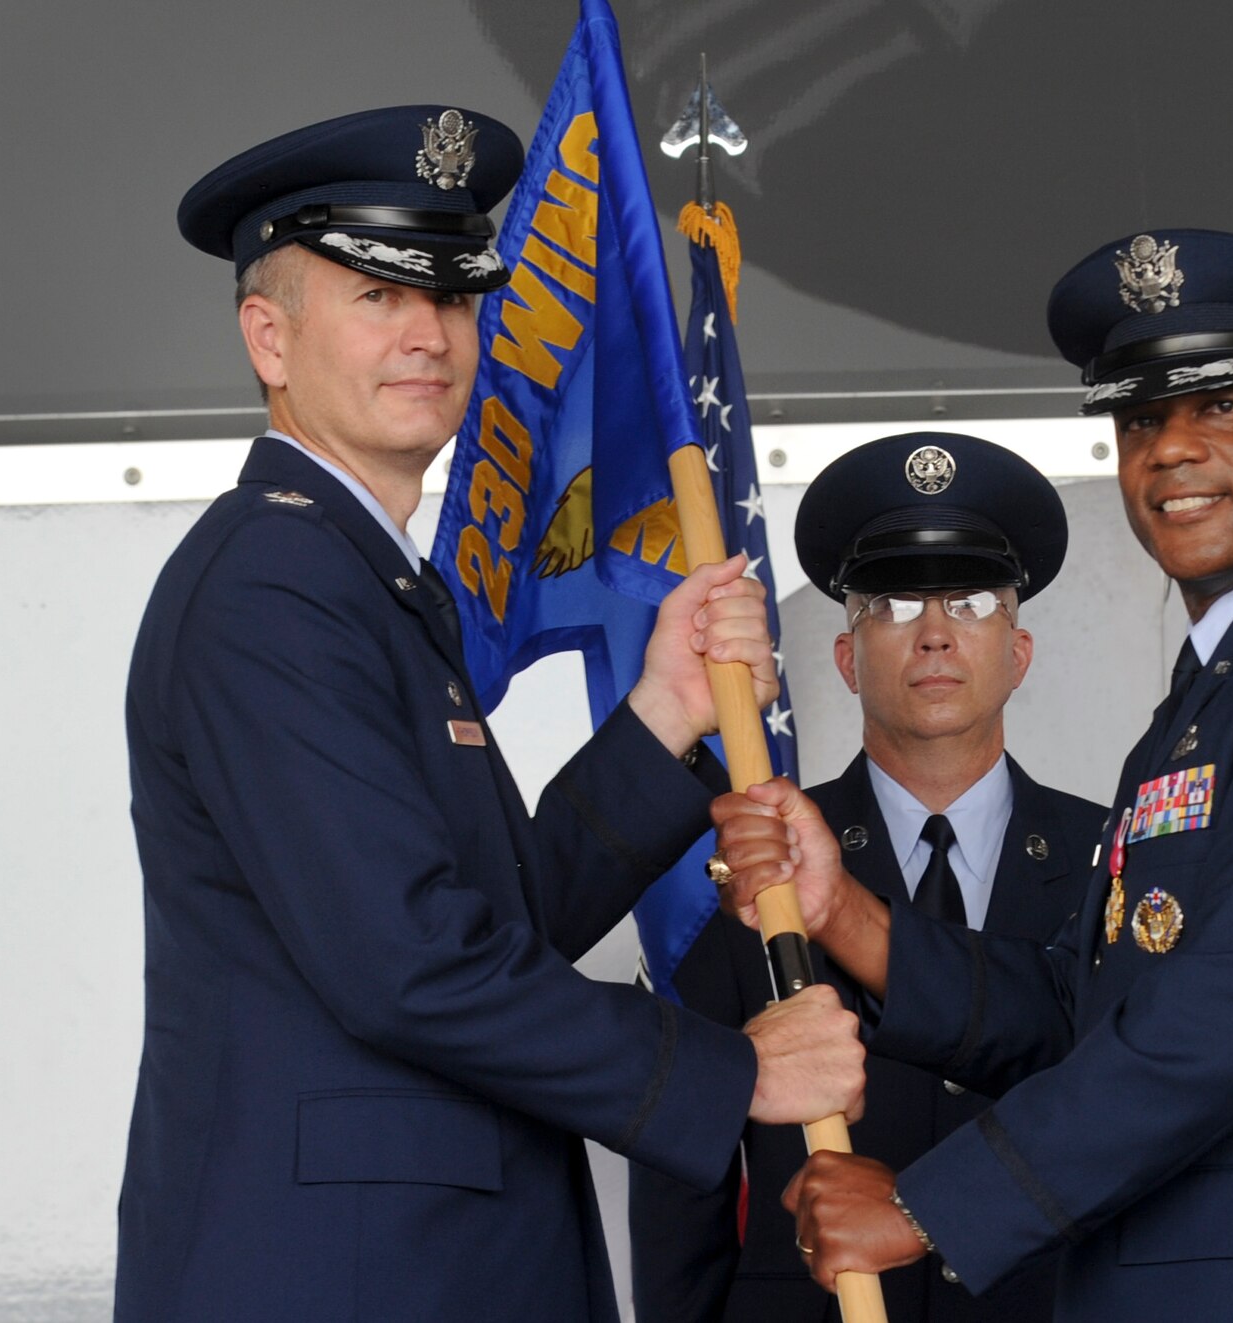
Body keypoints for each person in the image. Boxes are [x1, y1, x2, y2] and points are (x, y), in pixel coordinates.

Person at [114, 105, 864, 1323]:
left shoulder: (360, 577)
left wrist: (663, 710)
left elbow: (492, 922)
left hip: (419, 1264)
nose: (429, 334)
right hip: (344, 1278)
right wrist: (731, 1074)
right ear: (269, 337)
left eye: (454, 298)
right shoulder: (273, 586)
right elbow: (409, 966)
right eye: (377, 296)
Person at [711, 231, 1233, 1320]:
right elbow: (1093, 1009)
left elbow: (1232, 1014)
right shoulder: (1229, 683)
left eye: (1221, 406)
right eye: (1140, 420)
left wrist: (929, 1206)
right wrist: (840, 911)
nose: (1170, 450)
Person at [629, 433, 1107, 1323]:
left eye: (971, 603)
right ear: (847, 658)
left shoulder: (1111, 859)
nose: (934, 633)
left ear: (1019, 652)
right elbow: (684, 1175)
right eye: (891, 605)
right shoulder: (753, 854)